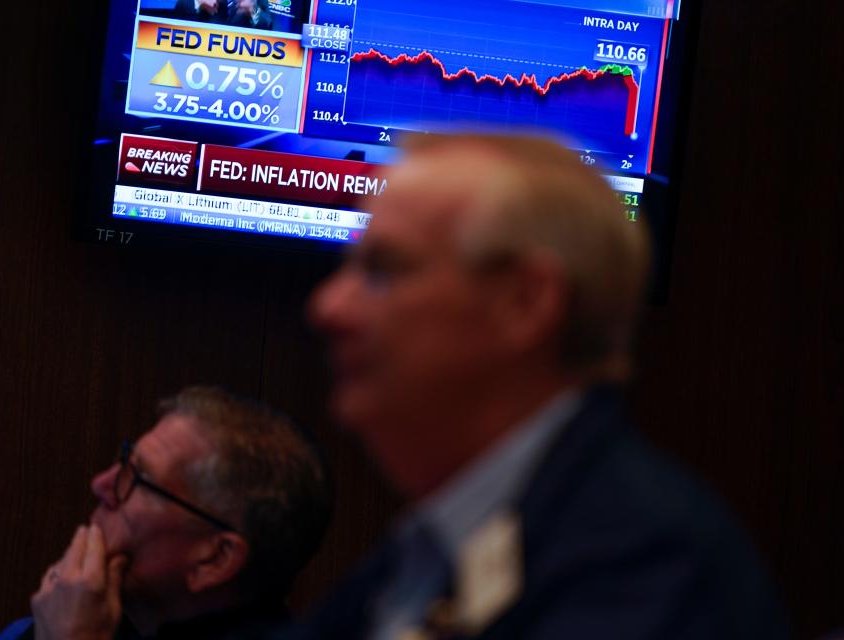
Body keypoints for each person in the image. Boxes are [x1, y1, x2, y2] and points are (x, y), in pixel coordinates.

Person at [284, 132, 790, 639]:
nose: (329, 307)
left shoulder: (646, 564)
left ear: (524, 303)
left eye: (383, 270)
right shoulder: (443, 537)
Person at [0, 386, 332, 640]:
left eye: (139, 478)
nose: (101, 484)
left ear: (215, 558)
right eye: (126, 458)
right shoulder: (57, 621)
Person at [173, 0, 273, 30]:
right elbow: (180, 7)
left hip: (239, 56)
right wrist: (198, 2)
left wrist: (253, 11)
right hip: (202, 49)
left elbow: (267, 25)